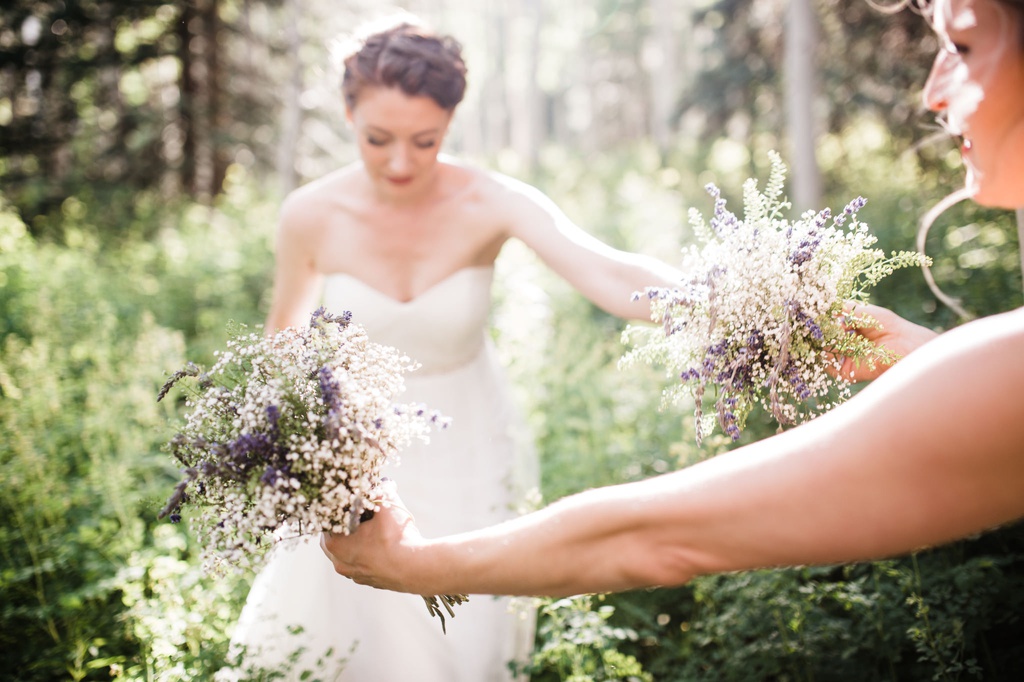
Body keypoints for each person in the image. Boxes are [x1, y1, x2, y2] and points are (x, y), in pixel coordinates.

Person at [320, 0, 1024, 600]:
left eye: (961, 45)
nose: (933, 90)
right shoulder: (311, 213)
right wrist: (927, 356)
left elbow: (651, 537)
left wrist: (411, 564)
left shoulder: (1004, 368)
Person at [224, 16, 684, 682]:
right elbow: (283, 346)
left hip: (469, 440)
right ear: (349, 113)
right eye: (377, 139)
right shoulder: (310, 214)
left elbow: (613, 274)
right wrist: (306, 458)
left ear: (451, 122)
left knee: (463, 639)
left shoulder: (489, 201)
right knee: (346, 636)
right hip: (353, 454)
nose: (401, 162)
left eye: (426, 141)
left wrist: (748, 302)